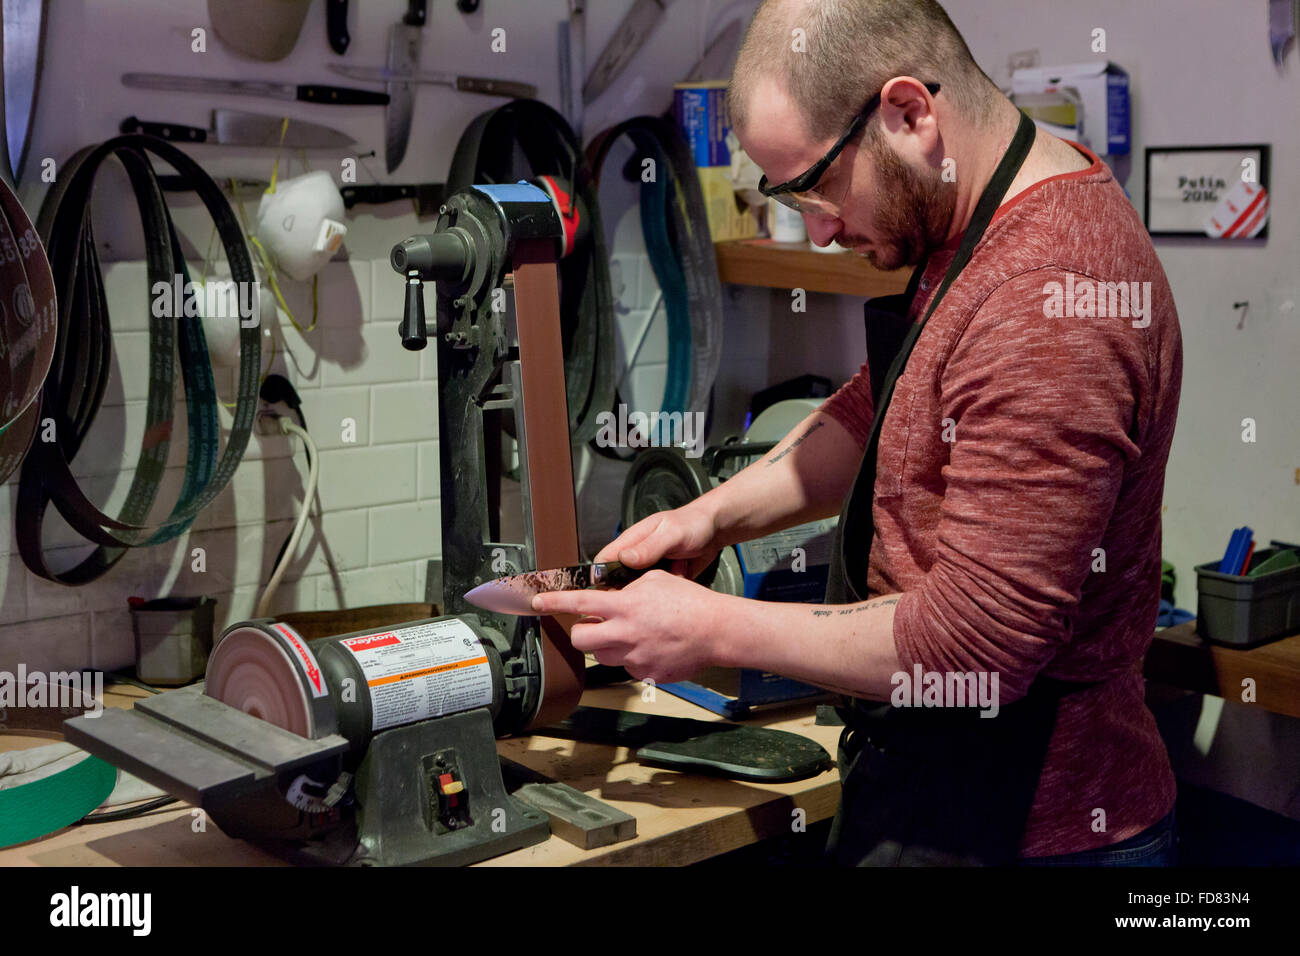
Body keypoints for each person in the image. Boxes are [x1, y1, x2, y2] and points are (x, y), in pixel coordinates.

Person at [533, 0, 1182, 866]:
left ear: (909, 113)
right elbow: (882, 405)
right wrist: (712, 518)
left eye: (820, 186)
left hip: (1032, 827)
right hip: (932, 782)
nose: (821, 230)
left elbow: (976, 647)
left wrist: (712, 628)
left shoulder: (1048, 297)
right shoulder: (987, 212)